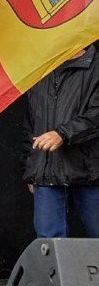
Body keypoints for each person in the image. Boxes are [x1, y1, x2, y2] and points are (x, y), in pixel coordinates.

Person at [23, 44, 99, 238]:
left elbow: (96, 115)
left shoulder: (96, 66)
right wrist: (30, 170)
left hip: (90, 170)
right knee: (49, 246)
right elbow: (30, 123)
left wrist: (63, 134)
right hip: (46, 171)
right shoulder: (41, 69)